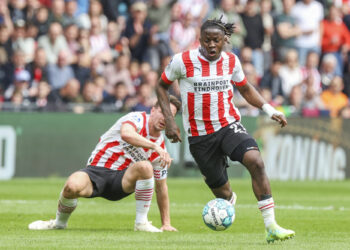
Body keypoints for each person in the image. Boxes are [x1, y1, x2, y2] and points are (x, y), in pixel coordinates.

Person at [156, 17, 295, 243]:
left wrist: (270, 110)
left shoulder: (231, 61)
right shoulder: (182, 61)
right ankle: (229, 200)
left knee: (255, 161)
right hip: (200, 136)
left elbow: (245, 88)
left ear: (225, 41)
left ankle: (271, 226)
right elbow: (161, 86)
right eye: (207, 40)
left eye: (216, 40)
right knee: (223, 193)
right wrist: (170, 121)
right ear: (199, 40)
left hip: (228, 125)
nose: (212, 45)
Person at [28, 96, 181, 232]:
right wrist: (154, 146)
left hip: (121, 181)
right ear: (153, 110)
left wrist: (166, 223)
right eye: (163, 112)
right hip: (96, 171)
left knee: (145, 166)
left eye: (170, 116)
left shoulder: (161, 150)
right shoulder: (136, 118)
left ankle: (141, 223)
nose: (165, 118)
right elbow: (126, 134)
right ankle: (59, 223)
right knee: (71, 187)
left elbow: (161, 188)